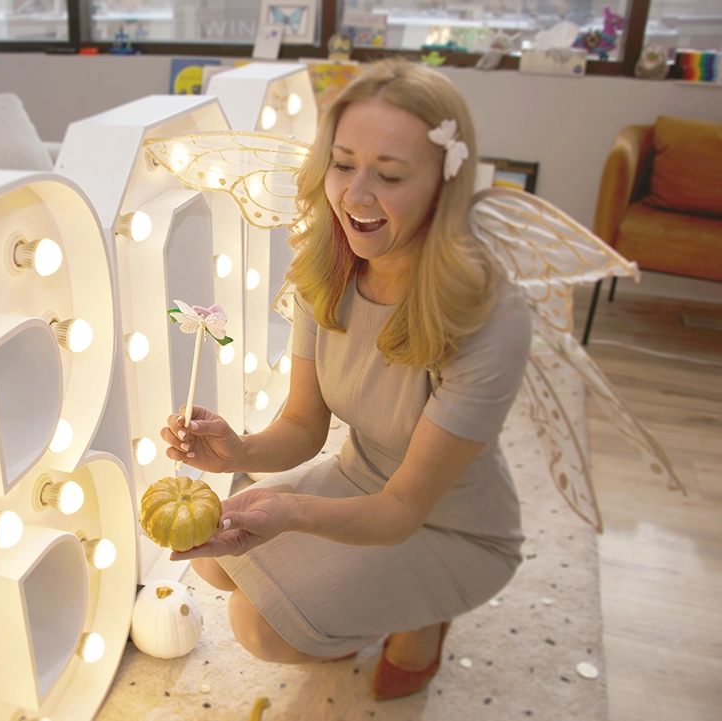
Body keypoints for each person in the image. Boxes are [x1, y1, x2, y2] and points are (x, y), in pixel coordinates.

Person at [159, 59, 532, 701]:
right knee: (221, 564)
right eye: (342, 164)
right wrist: (240, 451)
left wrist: (291, 511)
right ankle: (377, 597)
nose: (355, 196)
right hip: (363, 477)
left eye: (388, 175)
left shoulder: (487, 316)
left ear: (445, 187)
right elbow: (305, 426)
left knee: (259, 627)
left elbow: (402, 509)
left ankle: (424, 608)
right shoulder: (327, 270)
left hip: (448, 520)